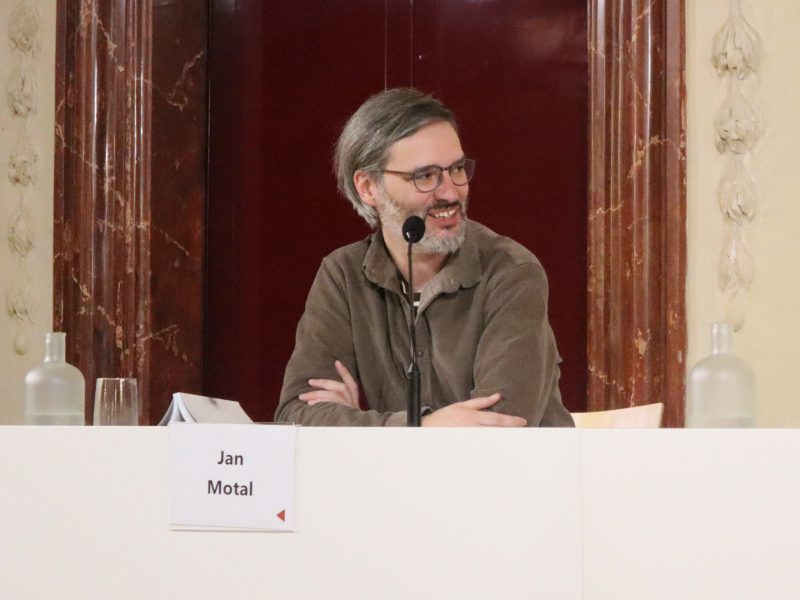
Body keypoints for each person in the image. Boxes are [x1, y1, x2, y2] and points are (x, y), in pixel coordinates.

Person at [274, 88, 573, 427]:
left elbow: (497, 428)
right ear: (368, 187)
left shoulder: (511, 271)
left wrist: (357, 425)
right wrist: (423, 427)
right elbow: (297, 415)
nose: (451, 192)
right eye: (425, 176)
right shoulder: (343, 275)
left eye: (456, 169)